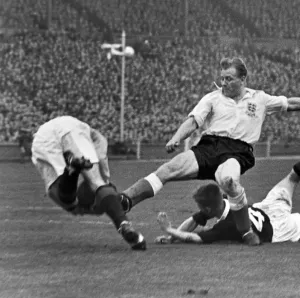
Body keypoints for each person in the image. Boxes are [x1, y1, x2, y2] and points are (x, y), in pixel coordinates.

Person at [120, 57, 300, 246]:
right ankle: (126, 200)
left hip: (238, 151)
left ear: (243, 79)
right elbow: (193, 121)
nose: (223, 83)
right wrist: (176, 138)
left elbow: (290, 103)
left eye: (229, 78)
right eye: (222, 78)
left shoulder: (260, 99)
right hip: (209, 146)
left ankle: (246, 232)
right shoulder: (212, 98)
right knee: (169, 169)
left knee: (228, 180)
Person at [31, 116, 146, 250]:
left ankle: (72, 171)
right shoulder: (97, 139)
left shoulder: (93, 135)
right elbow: (101, 185)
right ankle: (123, 224)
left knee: (66, 201)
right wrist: (103, 184)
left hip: (41, 139)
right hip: (70, 128)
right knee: (97, 183)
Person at [155, 161, 300, 245]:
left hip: (278, 229)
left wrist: (169, 229)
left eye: (200, 208)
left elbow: (194, 238)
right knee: (293, 176)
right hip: (267, 207)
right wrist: (171, 239)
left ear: (208, 209)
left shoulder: (226, 226)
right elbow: (194, 220)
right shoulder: (225, 199)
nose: (199, 211)